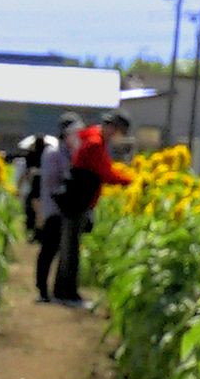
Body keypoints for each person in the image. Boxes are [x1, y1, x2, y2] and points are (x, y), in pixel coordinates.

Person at [51, 111, 133, 307]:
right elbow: (106, 173)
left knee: (69, 247)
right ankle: (67, 294)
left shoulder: (91, 137)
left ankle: (62, 291)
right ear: (112, 127)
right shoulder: (95, 143)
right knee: (71, 250)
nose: (117, 137)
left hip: (76, 199)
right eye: (118, 132)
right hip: (78, 200)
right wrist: (132, 180)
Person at [32, 116, 80, 302]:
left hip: (63, 210)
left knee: (59, 251)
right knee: (49, 250)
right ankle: (42, 289)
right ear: (66, 134)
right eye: (74, 133)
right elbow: (52, 183)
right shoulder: (53, 153)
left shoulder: (68, 153)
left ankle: (52, 290)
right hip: (53, 210)